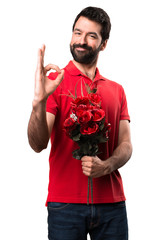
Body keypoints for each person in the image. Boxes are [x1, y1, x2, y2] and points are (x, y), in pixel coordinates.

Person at [28, 6, 132, 240]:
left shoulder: (117, 90)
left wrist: (107, 165)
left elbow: (126, 145)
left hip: (112, 206)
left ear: (103, 44)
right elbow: (37, 144)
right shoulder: (54, 83)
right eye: (77, 33)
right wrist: (38, 102)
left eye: (91, 35)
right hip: (65, 205)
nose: (81, 41)